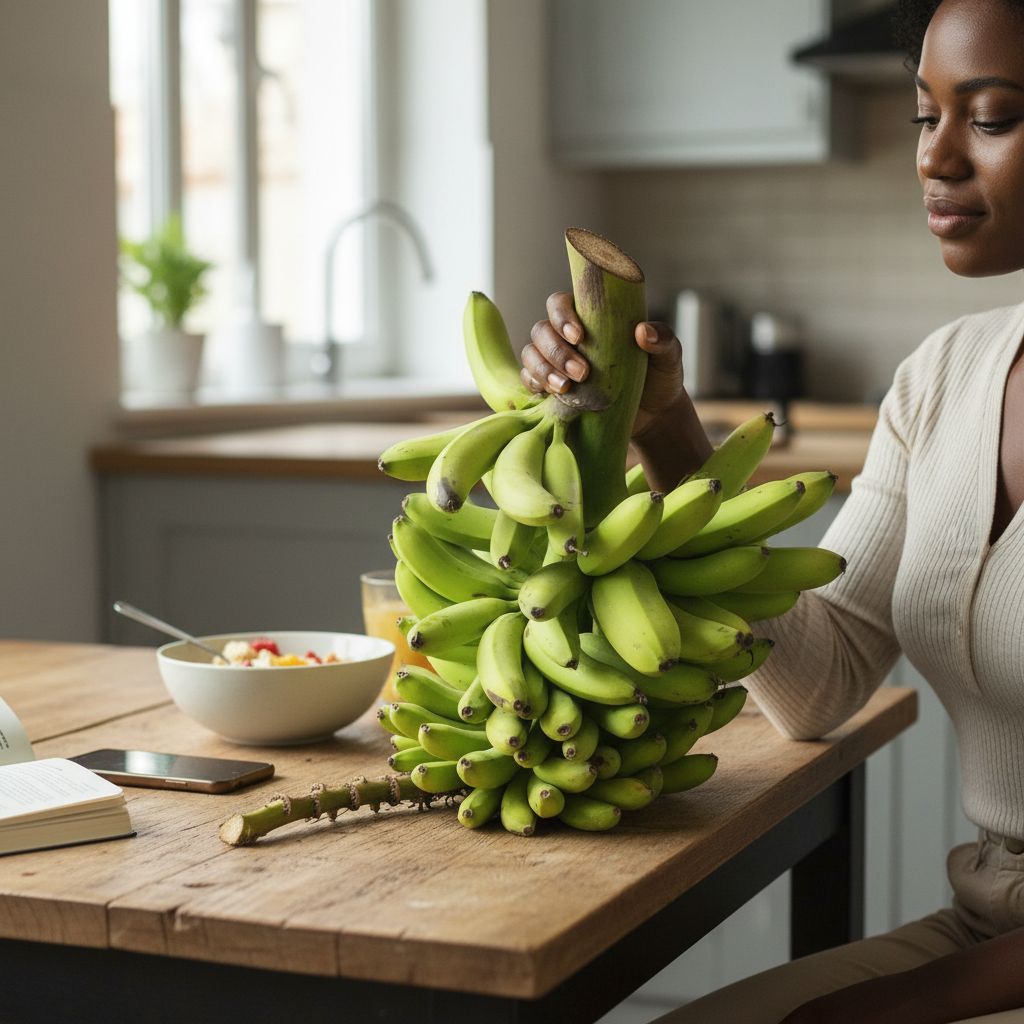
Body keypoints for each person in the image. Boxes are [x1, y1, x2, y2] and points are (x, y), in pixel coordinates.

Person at [520, 1, 1024, 1021]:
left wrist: (899, 1002)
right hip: (986, 927)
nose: (933, 158)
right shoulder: (941, 378)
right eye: (925, 115)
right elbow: (817, 681)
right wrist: (666, 431)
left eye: (990, 117)